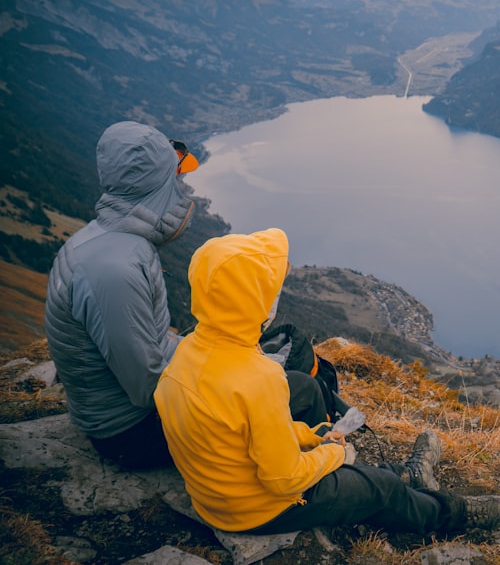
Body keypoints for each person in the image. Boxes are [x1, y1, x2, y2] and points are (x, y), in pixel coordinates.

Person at [154, 228, 500, 536]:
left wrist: (312, 436)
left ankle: (409, 476)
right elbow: (284, 479)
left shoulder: (186, 354)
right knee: (380, 490)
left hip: (216, 499)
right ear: (256, 303)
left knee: (361, 472)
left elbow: (236, 431)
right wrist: (335, 453)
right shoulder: (257, 377)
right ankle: (455, 514)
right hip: (258, 509)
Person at [44, 121, 325, 471]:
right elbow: (147, 385)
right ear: (157, 186)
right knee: (295, 386)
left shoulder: (104, 242)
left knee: (275, 347)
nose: (179, 186)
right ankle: (309, 476)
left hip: (121, 412)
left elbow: (148, 347)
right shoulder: (115, 269)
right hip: (131, 432)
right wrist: (234, 377)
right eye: (173, 178)